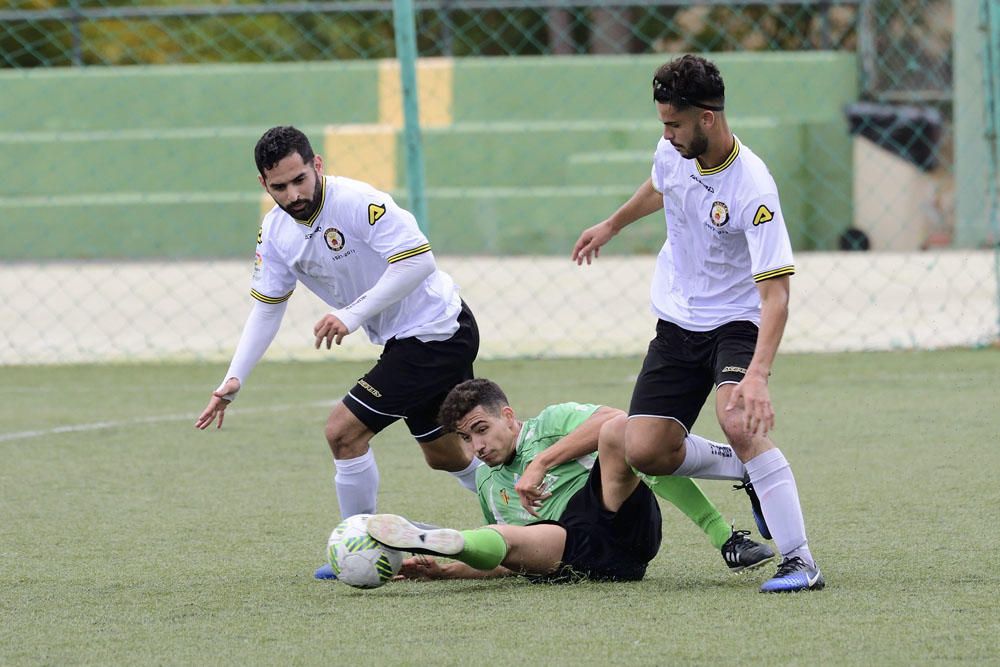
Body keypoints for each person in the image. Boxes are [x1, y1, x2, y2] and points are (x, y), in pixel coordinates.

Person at [571, 55, 823, 592]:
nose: (666, 135)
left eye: (674, 124)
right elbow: (661, 185)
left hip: (736, 320)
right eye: (663, 123)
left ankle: (800, 560)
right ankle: (749, 472)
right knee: (646, 450)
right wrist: (611, 224)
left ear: (707, 118)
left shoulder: (752, 187)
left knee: (737, 417)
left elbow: (776, 295)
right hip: (677, 320)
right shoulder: (673, 149)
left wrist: (757, 375)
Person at [193, 126, 483, 578]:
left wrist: (349, 315)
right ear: (263, 185)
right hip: (410, 339)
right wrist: (234, 378)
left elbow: (419, 260)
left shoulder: (358, 202)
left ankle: (358, 545)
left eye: (300, 179)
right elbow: (267, 309)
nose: (293, 195)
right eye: (279, 187)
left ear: (318, 165)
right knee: (445, 453)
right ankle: (528, 509)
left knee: (343, 432)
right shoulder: (274, 233)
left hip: (437, 330)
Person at [364, 378, 774, 582]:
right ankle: (446, 542)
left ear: (507, 416)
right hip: (567, 554)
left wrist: (541, 462)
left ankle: (727, 539)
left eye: (481, 429)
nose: (477, 448)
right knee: (498, 535)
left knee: (623, 434)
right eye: (466, 439)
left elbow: (617, 420)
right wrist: (446, 571)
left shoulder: (550, 423)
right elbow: (510, 561)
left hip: (618, 522)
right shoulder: (489, 484)